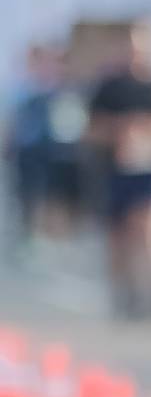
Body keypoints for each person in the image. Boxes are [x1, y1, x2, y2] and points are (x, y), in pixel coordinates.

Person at [87, 20, 151, 317]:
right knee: (120, 237)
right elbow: (92, 129)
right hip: (118, 171)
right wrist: (120, 130)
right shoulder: (110, 87)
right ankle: (126, 292)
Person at [5, 43, 87, 249]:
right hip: (28, 156)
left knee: (57, 202)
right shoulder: (22, 92)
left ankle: (55, 240)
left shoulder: (68, 93)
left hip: (57, 158)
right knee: (28, 200)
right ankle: (31, 240)